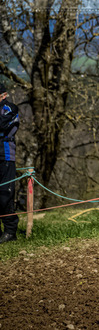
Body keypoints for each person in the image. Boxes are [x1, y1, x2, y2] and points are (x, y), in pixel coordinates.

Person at [0, 83, 19, 244]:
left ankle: (10, 231)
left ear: (3, 95)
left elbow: (1, 124)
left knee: (5, 194)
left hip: (5, 155)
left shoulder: (10, 108)